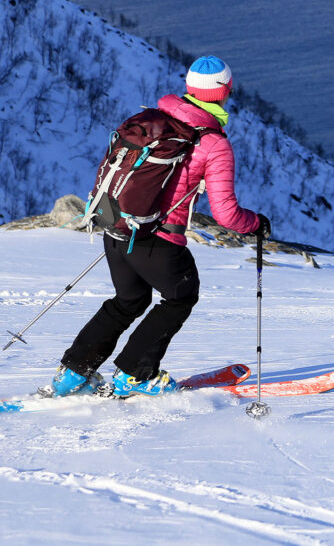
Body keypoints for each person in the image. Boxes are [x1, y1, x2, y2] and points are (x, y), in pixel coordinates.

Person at [48, 56, 272, 398]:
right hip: (157, 239)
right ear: (226, 91)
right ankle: (135, 375)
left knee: (129, 300)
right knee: (180, 296)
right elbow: (226, 215)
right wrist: (256, 224)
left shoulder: (151, 121)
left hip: (116, 227)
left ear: (189, 88)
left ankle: (72, 373)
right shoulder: (212, 143)